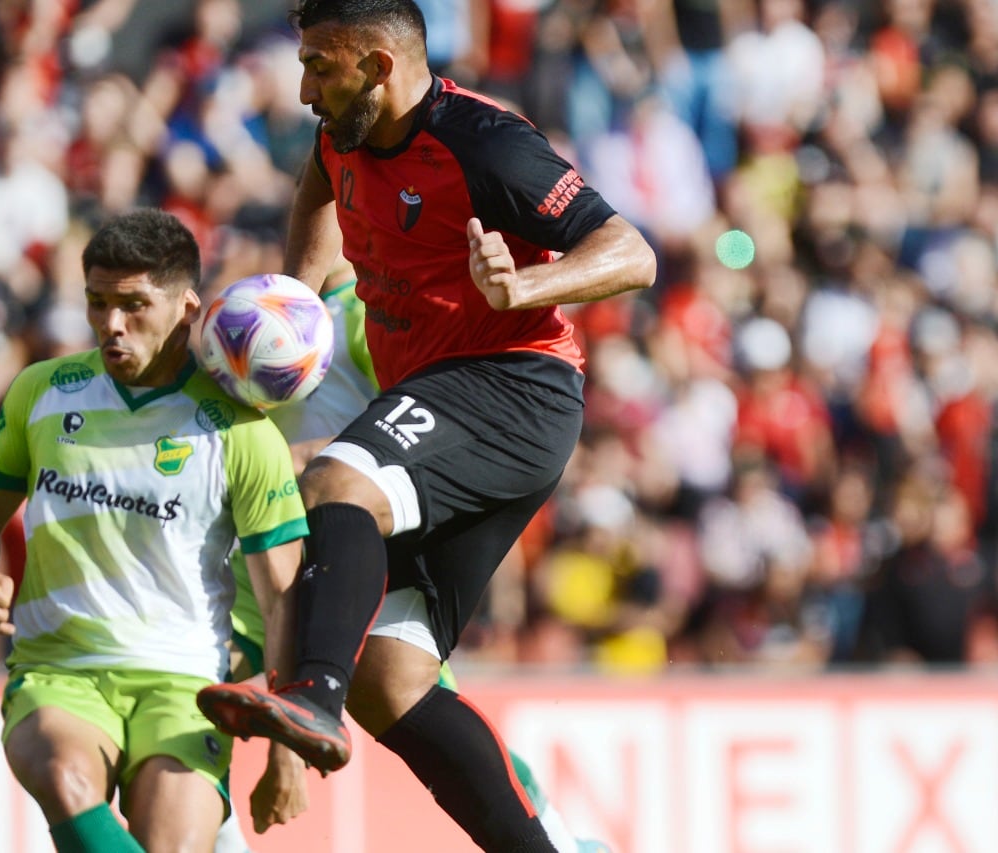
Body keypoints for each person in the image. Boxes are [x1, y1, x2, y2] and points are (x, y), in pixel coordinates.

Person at [196, 2, 657, 850]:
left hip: (516, 387)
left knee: (337, 482)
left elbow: (632, 252)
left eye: (319, 67)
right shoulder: (343, 130)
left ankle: (313, 697)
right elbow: (317, 195)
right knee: (393, 679)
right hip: (449, 399)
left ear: (378, 64)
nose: (303, 89)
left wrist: (525, 289)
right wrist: (296, 300)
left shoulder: (485, 142)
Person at [0, 208, 309, 853]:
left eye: (134, 305)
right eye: (97, 303)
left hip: (184, 681)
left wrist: (287, 745)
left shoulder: (243, 432)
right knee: (64, 777)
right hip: (60, 671)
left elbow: (283, 595)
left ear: (187, 307)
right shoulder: (43, 392)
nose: (112, 324)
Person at [219, 262, 598, 851]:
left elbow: (421, 427)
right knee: (382, 695)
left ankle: (562, 840)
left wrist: (297, 463)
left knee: (408, 696)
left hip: (364, 552)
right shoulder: (236, 331)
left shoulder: (362, 320)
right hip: (268, 567)